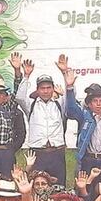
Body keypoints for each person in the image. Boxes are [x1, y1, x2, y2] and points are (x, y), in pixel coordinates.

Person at [15, 56, 67, 185]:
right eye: (42, 88)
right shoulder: (31, 105)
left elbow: (70, 97)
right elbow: (20, 98)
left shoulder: (59, 103)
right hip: (38, 153)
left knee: (59, 186)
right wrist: (26, 76)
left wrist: (64, 72)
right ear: (37, 90)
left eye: (48, 87)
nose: (45, 91)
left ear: (53, 88)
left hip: (57, 152)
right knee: (37, 186)